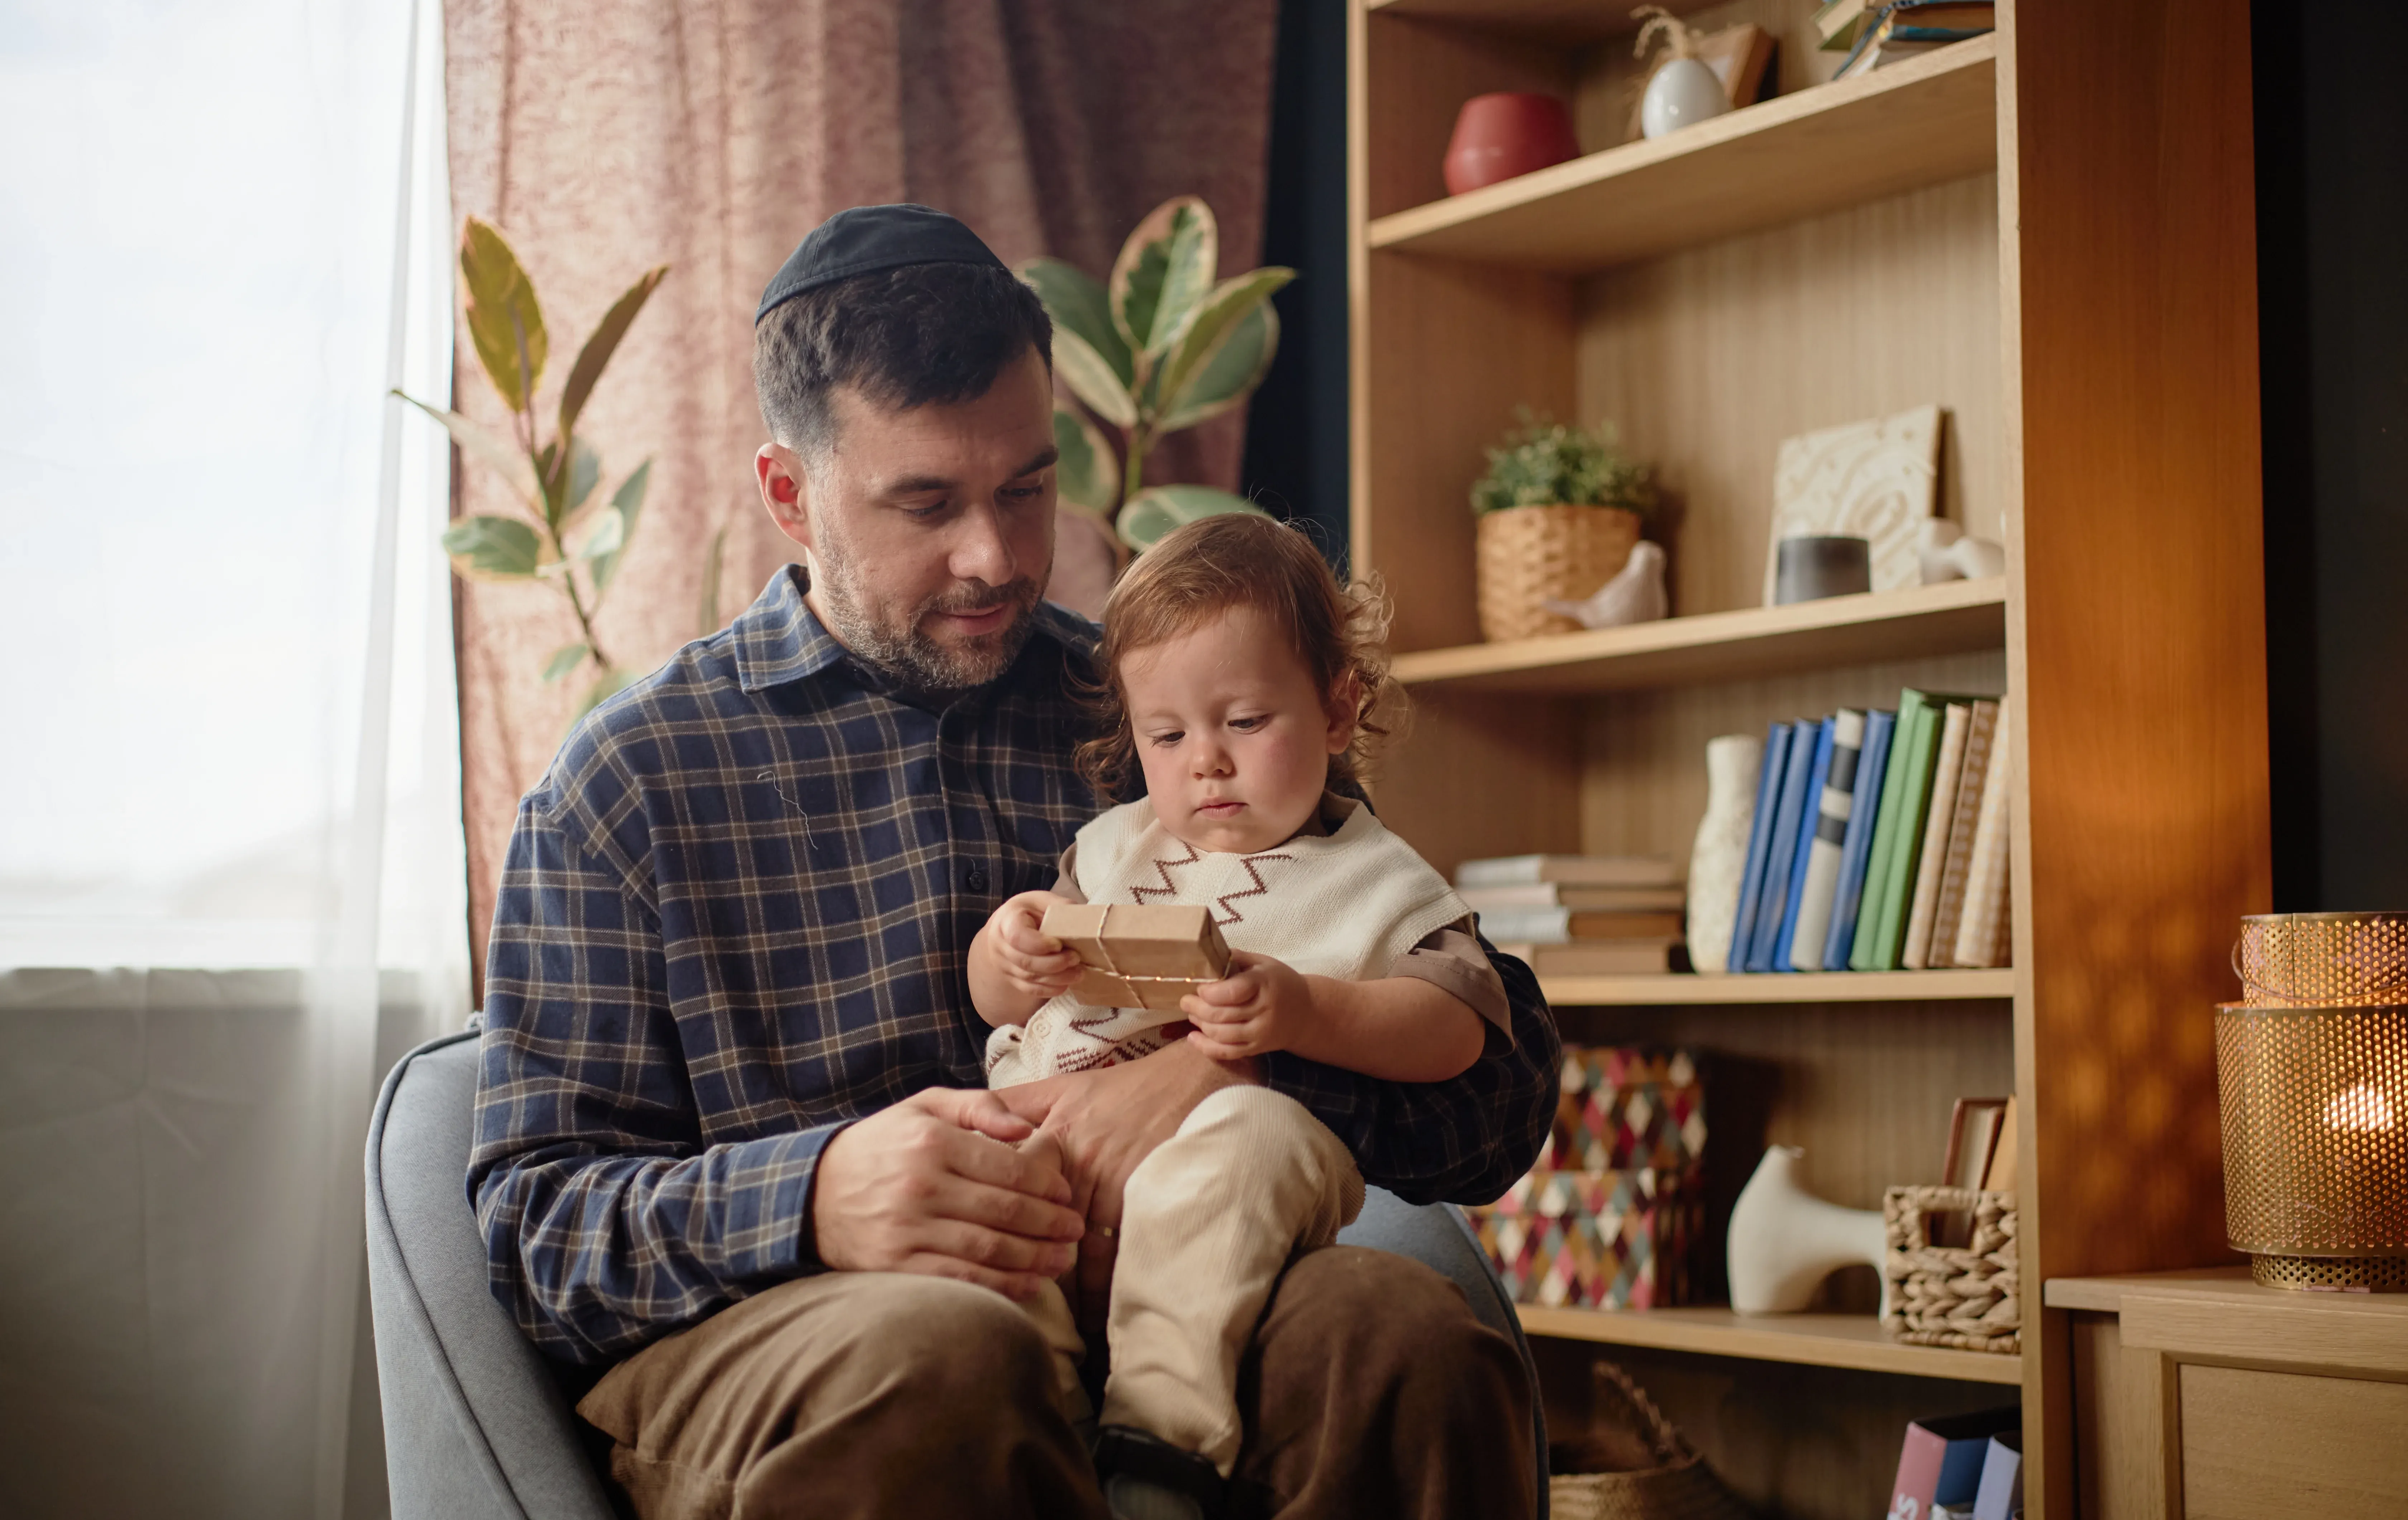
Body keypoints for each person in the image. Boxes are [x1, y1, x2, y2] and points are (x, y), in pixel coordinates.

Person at [468, 204, 1560, 1520]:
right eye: (925, 502)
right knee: (947, 1359)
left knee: (1400, 1336)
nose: (994, 556)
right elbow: (536, 1234)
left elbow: (1502, 1095)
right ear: (789, 495)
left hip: (1166, 1280)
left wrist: (1246, 1058)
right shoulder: (625, 787)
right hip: (798, 1331)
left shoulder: (1169, 716)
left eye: (1027, 489)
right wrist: (815, 1197)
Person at [970, 512, 1508, 1518]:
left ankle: (1156, 1448)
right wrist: (1006, 949)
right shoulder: (1112, 851)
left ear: (1339, 710)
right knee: (980, 1181)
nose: (1205, 761)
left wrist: (1311, 1013)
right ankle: (1032, 1414)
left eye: (1245, 722)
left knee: (1250, 1137)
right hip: (1053, 1147)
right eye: (1166, 736)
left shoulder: (1374, 879)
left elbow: (1459, 1027)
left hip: (1231, 1168)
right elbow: (999, 1002)